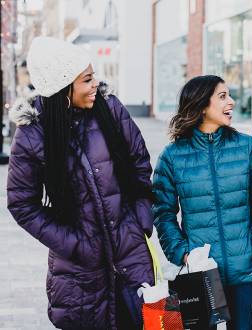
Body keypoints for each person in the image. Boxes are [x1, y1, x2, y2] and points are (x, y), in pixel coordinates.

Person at [7, 36, 154, 329]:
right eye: (86, 79)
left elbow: (140, 164)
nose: (95, 84)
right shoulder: (32, 135)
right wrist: (74, 243)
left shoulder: (110, 108)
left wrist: (140, 219)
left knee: (146, 320)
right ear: (63, 89)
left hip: (130, 251)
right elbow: (22, 204)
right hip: (78, 270)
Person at [153, 75, 252, 330]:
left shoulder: (247, 147)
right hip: (198, 272)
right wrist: (182, 253)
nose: (231, 101)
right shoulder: (172, 157)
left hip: (244, 270)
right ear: (201, 105)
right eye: (222, 96)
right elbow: (163, 213)